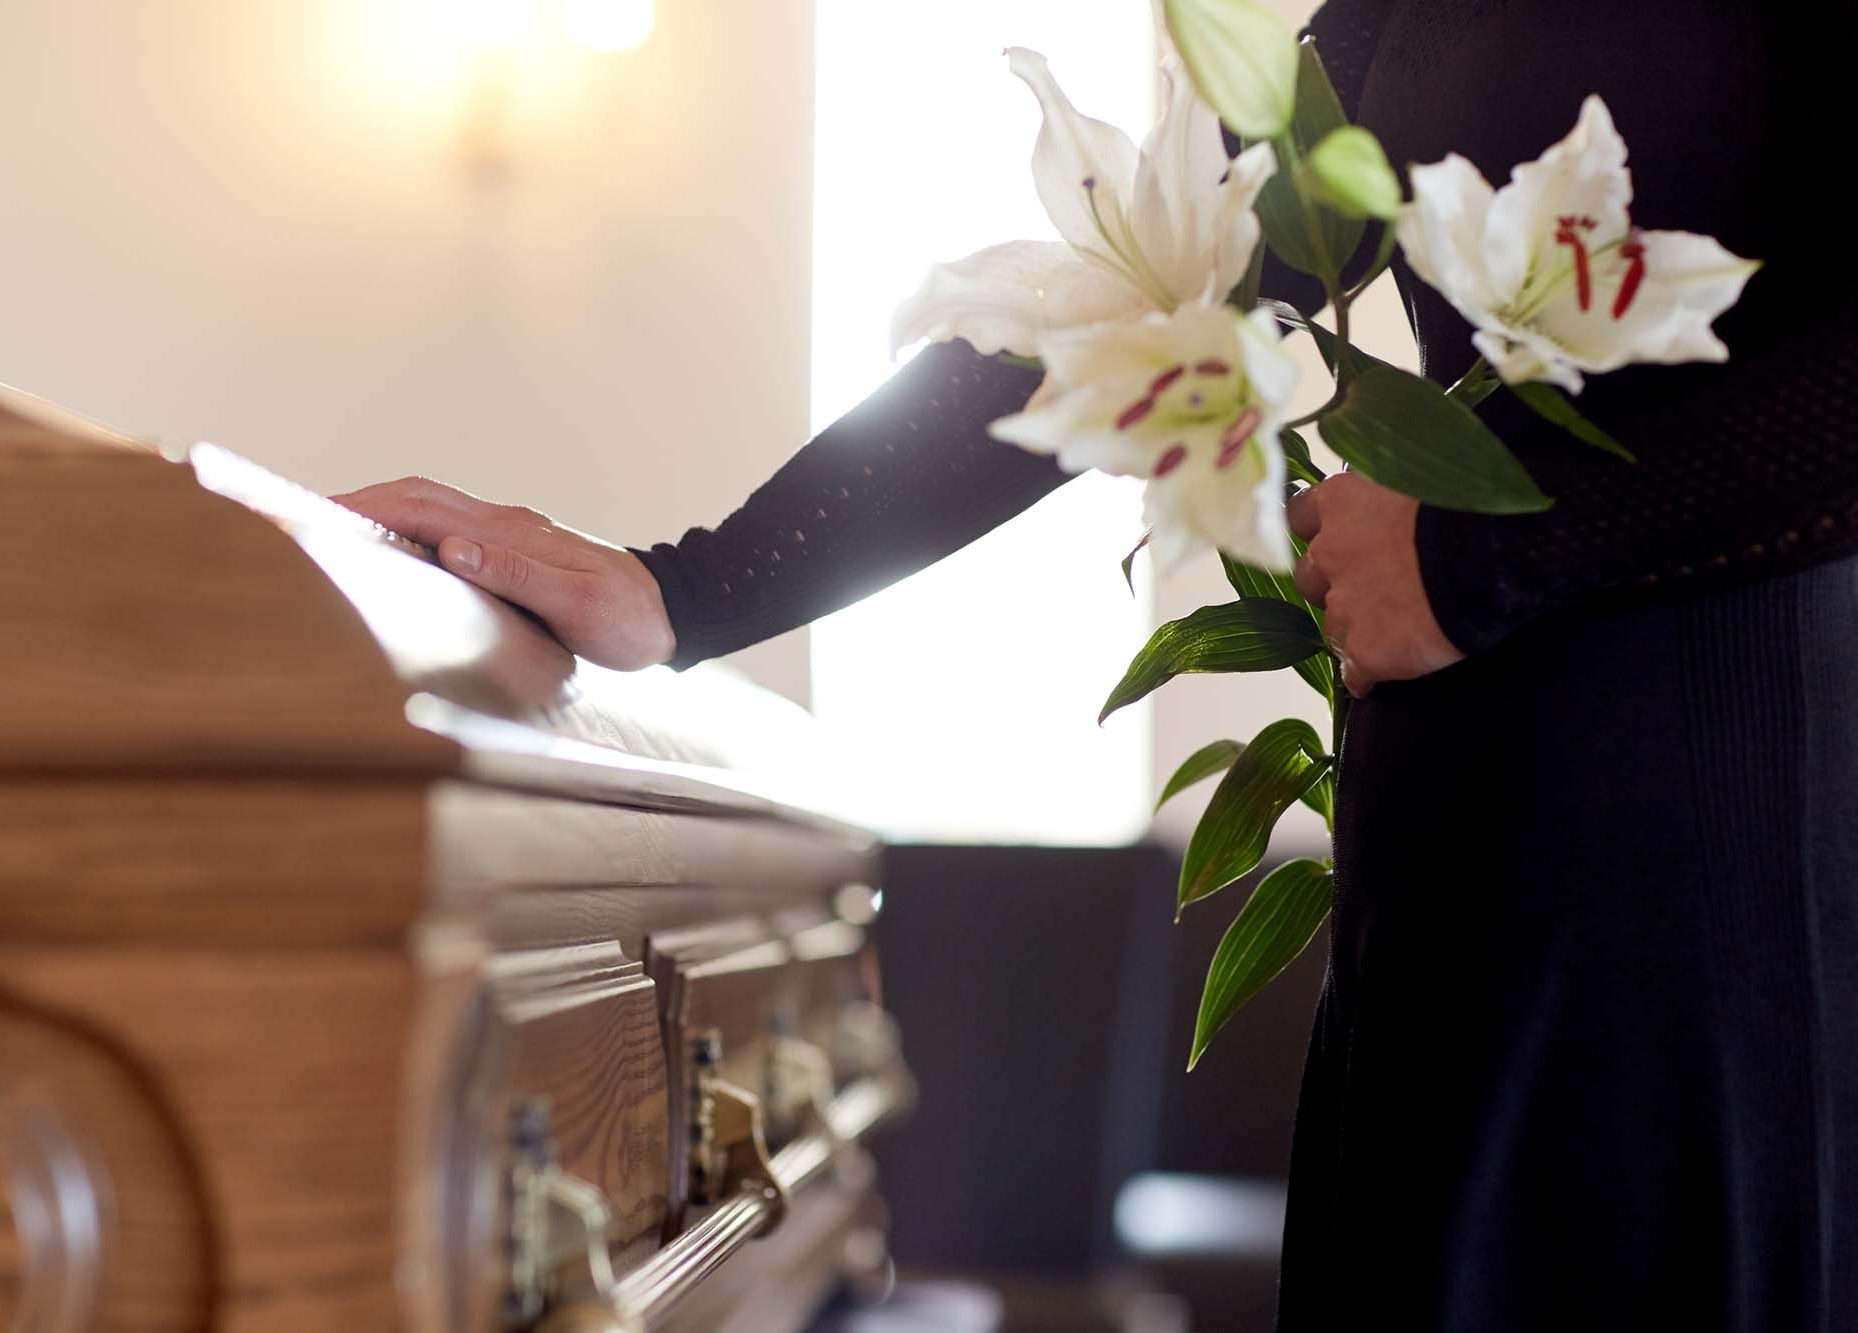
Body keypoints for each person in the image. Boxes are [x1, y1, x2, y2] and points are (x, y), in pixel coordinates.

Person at [338, 2, 1858, 1327]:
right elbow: (1143, 292)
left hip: (1722, 878)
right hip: (1458, 872)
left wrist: (1486, 551)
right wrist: (688, 585)